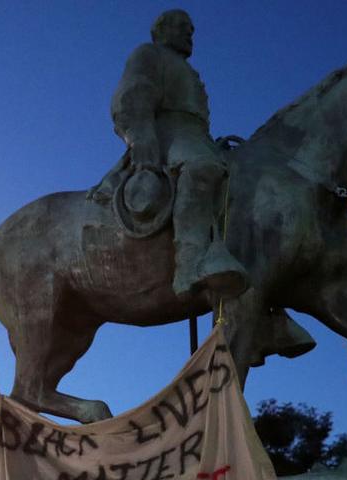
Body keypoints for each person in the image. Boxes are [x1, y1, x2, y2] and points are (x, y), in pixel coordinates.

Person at [107, 9, 249, 299]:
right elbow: (132, 94)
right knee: (202, 168)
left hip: (198, 137)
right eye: (183, 27)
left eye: (192, 30)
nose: (189, 34)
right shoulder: (149, 54)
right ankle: (190, 264)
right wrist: (141, 135)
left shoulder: (185, 70)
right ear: (161, 31)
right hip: (168, 133)